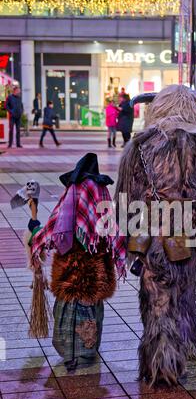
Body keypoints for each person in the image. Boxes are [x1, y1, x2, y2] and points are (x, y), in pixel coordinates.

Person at [115, 84, 196, 386]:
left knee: (157, 296)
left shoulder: (140, 145)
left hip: (152, 232)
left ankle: (163, 365)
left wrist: (125, 235)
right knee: (186, 285)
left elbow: (125, 194)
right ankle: (187, 341)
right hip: (192, 230)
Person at [29, 153, 126, 371]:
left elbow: (54, 230)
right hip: (97, 267)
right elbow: (115, 234)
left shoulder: (73, 194)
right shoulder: (101, 194)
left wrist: (35, 231)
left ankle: (72, 354)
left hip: (72, 265)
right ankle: (86, 351)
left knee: (71, 309)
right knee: (91, 309)